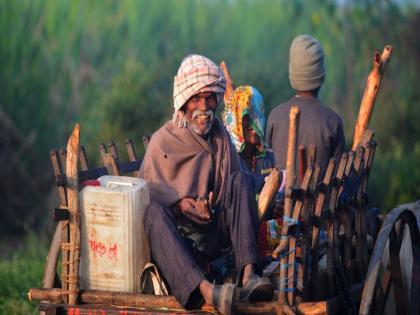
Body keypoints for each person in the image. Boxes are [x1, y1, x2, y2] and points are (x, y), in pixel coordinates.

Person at [139, 54, 273, 312]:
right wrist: (180, 206)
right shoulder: (162, 142)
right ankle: (205, 291)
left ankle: (249, 274)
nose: (204, 106)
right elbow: (149, 194)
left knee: (240, 180)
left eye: (210, 98)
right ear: (183, 102)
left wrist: (273, 185)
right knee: (152, 214)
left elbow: (240, 178)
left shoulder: (220, 136)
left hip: (214, 237)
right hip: (179, 245)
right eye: (196, 99)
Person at [222, 85, 285, 257]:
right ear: (235, 119)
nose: (253, 125)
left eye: (257, 116)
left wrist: (279, 205)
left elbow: (281, 190)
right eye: (247, 118)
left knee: (294, 227)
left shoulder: (270, 156)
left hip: (267, 227)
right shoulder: (226, 158)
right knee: (290, 234)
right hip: (236, 236)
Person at [266, 34, 345, 171]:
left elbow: (266, 168)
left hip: (277, 193)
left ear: (292, 73)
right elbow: (338, 181)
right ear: (321, 74)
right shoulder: (333, 122)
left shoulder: (275, 117)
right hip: (321, 194)